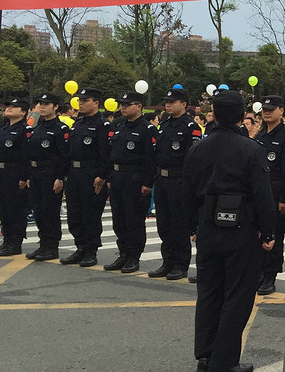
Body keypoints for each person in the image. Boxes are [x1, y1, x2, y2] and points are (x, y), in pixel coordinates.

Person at [184, 89, 275, 372]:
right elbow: (263, 194)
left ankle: (205, 355)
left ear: (214, 113)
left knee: (209, 293)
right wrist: (268, 231)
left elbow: (185, 193)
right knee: (237, 295)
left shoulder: (199, 147)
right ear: (241, 116)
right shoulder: (250, 148)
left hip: (208, 228)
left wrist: (191, 227)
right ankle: (223, 360)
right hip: (240, 228)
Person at [149, 86, 201, 280]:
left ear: (184, 104)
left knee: (179, 223)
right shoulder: (165, 125)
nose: (168, 105)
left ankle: (181, 264)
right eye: (167, 102)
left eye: (172, 102)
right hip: (162, 180)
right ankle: (167, 261)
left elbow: (192, 158)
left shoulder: (190, 127)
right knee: (164, 223)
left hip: (179, 180)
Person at [103, 90, 157, 274]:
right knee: (119, 219)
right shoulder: (118, 126)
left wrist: (148, 183)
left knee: (134, 219)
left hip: (135, 179)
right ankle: (123, 253)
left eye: (127, 105)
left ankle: (134, 256)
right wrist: (109, 177)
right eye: (122, 105)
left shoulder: (146, 129)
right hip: (117, 178)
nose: (123, 108)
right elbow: (111, 155)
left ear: (139, 106)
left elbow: (151, 159)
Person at [252, 95, 285, 296]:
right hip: (259, 194)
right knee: (257, 235)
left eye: (271, 109)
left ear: (281, 111)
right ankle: (259, 273)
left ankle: (270, 276)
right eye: (264, 109)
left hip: (276, 194)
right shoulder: (260, 136)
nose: (267, 112)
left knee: (275, 237)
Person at [61, 88, 112, 267]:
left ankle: (91, 250)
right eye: (80, 100)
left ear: (96, 103)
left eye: (85, 100)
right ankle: (80, 246)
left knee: (90, 214)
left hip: (91, 174)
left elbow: (106, 154)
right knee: (74, 213)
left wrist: (102, 176)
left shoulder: (102, 124)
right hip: (74, 174)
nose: (81, 103)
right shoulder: (78, 123)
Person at [24, 93, 70, 261]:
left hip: (51, 173)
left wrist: (60, 177)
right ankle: (43, 244)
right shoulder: (38, 127)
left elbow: (64, 156)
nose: (42, 107)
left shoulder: (60, 129)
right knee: (39, 211)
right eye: (40, 104)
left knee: (50, 211)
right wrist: (29, 174)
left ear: (56, 107)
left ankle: (52, 246)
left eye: (47, 104)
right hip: (36, 173)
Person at [0, 96, 31, 256]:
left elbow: (26, 156)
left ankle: (15, 242)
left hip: (15, 172)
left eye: (14, 106)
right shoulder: (4, 129)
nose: (9, 109)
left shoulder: (24, 130)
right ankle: (7, 240)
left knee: (16, 208)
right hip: (2, 173)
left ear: (24, 112)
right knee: (3, 207)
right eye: (8, 106)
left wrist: (24, 177)